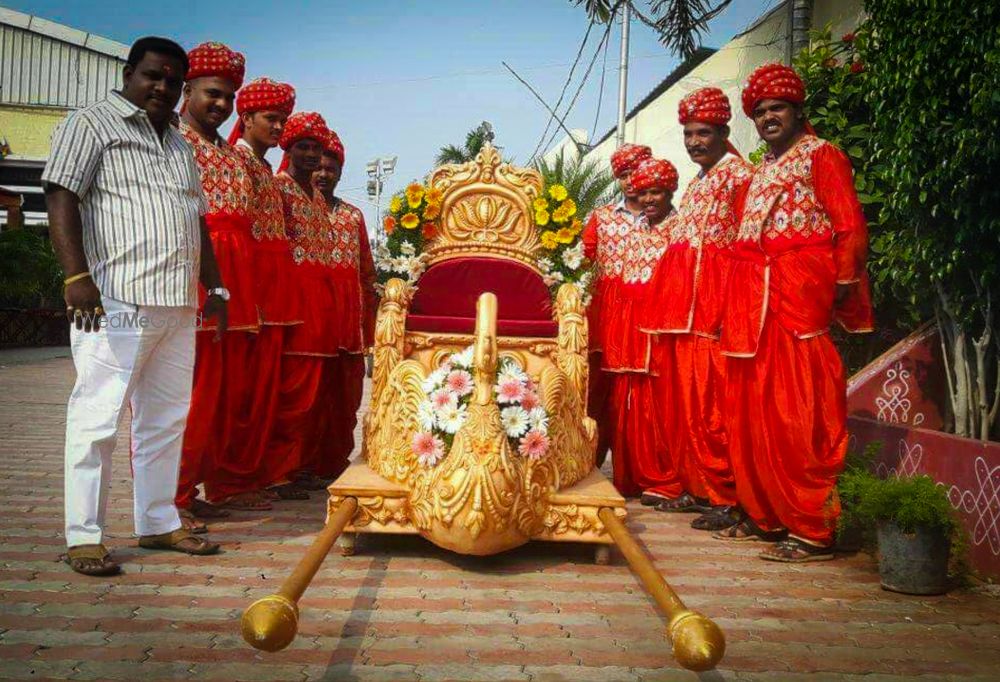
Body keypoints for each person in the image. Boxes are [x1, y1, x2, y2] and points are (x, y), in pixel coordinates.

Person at [43, 36, 224, 576]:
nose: (162, 87)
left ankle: (157, 521)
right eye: (153, 76)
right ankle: (84, 535)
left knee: (165, 420)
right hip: (114, 297)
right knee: (97, 416)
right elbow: (60, 193)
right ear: (129, 72)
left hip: (175, 300)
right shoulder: (91, 123)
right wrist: (76, 276)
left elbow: (197, 220)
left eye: (173, 81)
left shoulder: (180, 144)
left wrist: (214, 289)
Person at [716, 63, 873, 562]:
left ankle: (811, 526)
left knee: (797, 409)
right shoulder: (761, 169)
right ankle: (765, 515)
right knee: (751, 410)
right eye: (759, 111)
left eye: (776, 107)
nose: (767, 117)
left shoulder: (822, 155)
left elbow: (848, 224)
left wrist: (840, 285)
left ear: (797, 110)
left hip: (795, 294)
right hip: (751, 302)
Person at [639, 87, 752, 531]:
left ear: (724, 132)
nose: (693, 142)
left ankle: (724, 495)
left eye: (703, 133)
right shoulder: (700, 182)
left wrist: (732, 312)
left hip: (713, 313)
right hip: (682, 314)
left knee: (711, 405)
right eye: (688, 134)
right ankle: (697, 485)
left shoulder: (740, 176)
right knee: (683, 404)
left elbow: (744, 250)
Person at [174, 41, 260, 525]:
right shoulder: (172, 140)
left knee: (222, 395)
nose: (221, 105)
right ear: (188, 90)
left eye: (228, 97)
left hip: (236, 280)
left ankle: (196, 487)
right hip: (196, 277)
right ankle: (171, 496)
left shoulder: (229, 153)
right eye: (212, 93)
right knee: (190, 394)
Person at [226, 77, 305, 504]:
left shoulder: (264, 171)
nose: (279, 128)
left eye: (283, 120)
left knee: (263, 397)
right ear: (247, 118)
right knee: (242, 397)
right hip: (250, 296)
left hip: (274, 299)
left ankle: (249, 478)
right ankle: (231, 482)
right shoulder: (236, 162)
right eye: (272, 119)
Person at [270, 111, 344, 489]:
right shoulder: (277, 188)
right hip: (292, 306)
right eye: (305, 146)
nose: (313, 155)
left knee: (314, 395)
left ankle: (300, 467)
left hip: (320, 308)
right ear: (289, 148)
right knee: (291, 394)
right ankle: (278, 473)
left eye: (317, 148)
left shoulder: (316, 197)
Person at [581, 143, 652, 471]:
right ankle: (587, 463)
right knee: (598, 391)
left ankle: (636, 470)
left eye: (635, 173)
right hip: (606, 316)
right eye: (623, 175)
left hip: (645, 316)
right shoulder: (602, 217)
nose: (630, 181)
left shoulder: (662, 217)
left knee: (639, 396)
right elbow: (581, 261)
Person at [311, 129, 377, 469]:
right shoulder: (294, 207)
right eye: (318, 167)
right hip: (310, 324)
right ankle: (299, 467)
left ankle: (333, 463)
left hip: (347, 328)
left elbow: (367, 274)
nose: (323, 174)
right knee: (309, 399)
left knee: (344, 399)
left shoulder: (353, 217)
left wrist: (370, 331)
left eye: (331, 169)